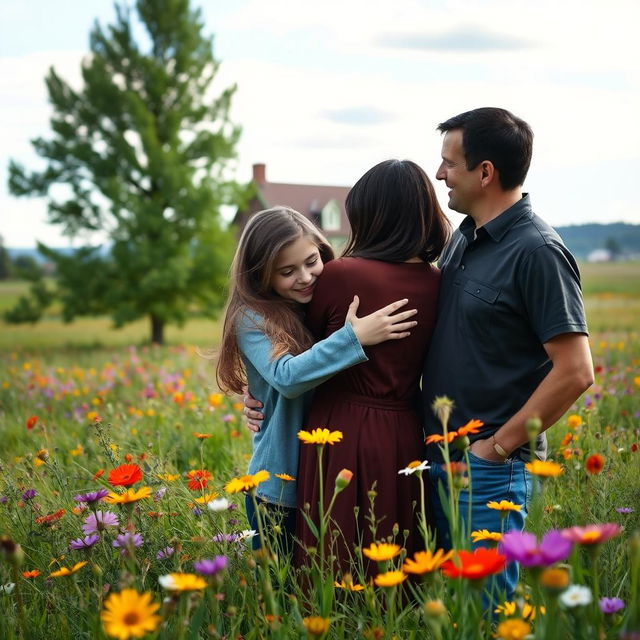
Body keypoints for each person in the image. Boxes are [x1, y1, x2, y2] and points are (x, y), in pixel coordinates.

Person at [422, 107, 594, 598]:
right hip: (441, 458)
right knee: (455, 613)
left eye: (448, 164)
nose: (440, 175)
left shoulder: (537, 251)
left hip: (492, 472)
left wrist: (494, 449)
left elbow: (576, 371)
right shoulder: (465, 237)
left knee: (489, 614)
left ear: (485, 172)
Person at [216, 206, 419, 552]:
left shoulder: (318, 303)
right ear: (261, 275)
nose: (305, 277)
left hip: (326, 479)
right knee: (280, 592)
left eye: (311, 261)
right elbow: (287, 376)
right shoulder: (250, 318)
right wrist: (355, 337)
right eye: (287, 271)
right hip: (278, 489)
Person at [291, 159, 450, 576]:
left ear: (370, 216)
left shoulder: (341, 275)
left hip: (339, 423)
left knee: (336, 543)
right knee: (395, 533)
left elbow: (300, 350)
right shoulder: (439, 281)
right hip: (405, 427)